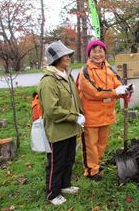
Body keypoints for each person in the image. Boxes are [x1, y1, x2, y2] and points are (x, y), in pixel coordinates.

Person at [38, 41, 85, 206]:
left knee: (69, 159)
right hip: (57, 131)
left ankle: (65, 185)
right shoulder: (48, 81)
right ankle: (52, 193)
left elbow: (74, 98)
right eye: (64, 55)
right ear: (56, 58)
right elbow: (52, 110)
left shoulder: (67, 75)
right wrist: (74, 116)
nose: (68, 57)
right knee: (56, 163)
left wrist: (81, 114)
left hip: (71, 128)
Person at [77, 39, 133, 181]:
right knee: (91, 145)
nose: (98, 54)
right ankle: (91, 170)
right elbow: (95, 92)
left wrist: (126, 89)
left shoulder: (109, 69)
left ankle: (96, 163)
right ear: (89, 54)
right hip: (90, 116)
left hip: (106, 115)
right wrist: (115, 92)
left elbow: (117, 85)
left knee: (102, 143)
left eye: (100, 51)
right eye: (94, 51)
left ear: (105, 53)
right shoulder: (85, 72)